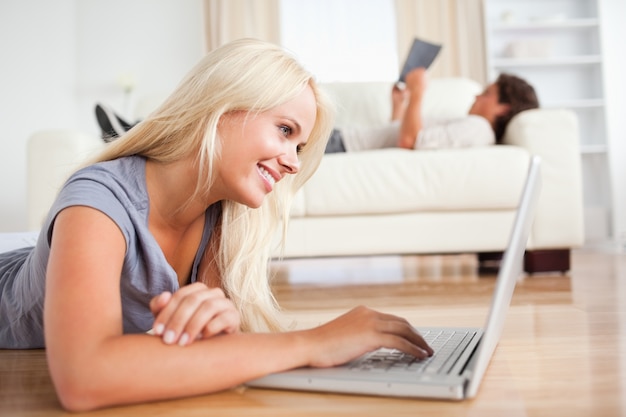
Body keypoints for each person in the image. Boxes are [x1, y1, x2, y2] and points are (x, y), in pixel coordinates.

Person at [0, 39, 433, 411]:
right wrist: (313, 343)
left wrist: (219, 328)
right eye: (284, 130)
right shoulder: (97, 203)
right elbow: (83, 378)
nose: (294, 162)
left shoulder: (221, 217)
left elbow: (212, 352)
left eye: (299, 145)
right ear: (221, 107)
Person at [324, 67, 539, 153]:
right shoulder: (472, 126)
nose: (476, 96)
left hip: (343, 144)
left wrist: (419, 91)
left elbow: (409, 141)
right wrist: (400, 106)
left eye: (486, 93)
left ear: (503, 108)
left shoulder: (479, 127)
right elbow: (401, 134)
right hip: (343, 140)